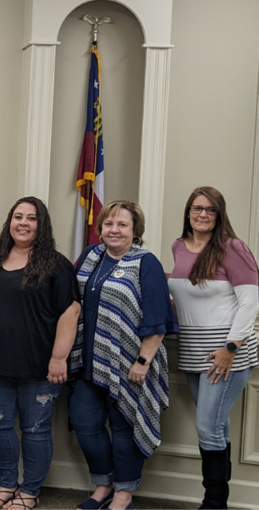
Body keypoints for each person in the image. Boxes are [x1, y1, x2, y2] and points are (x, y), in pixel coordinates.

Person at [0, 197, 80, 510]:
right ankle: (7, 485)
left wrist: (58, 358)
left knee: (35, 429)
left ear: (41, 226)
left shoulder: (56, 265)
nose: (24, 223)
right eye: (18, 216)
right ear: (9, 221)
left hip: (41, 368)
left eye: (31, 218)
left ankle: (29, 491)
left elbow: (71, 311)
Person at [69, 200, 178, 510]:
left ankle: (124, 494)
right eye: (108, 224)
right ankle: (103, 486)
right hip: (87, 360)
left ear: (135, 230)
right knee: (85, 423)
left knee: (124, 427)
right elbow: (70, 302)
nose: (114, 230)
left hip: (131, 363)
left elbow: (158, 319)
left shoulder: (146, 263)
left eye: (122, 225)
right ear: (101, 228)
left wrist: (142, 361)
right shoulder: (90, 256)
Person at [168, 187, 259, 509]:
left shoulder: (233, 248)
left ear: (219, 215)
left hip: (226, 352)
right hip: (193, 351)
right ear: (188, 212)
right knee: (216, 425)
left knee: (208, 426)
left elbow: (250, 302)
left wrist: (230, 347)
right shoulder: (178, 246)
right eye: (197, 208)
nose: (202, 215)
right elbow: (185, 289)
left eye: (210, 210)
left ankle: (214, 502)